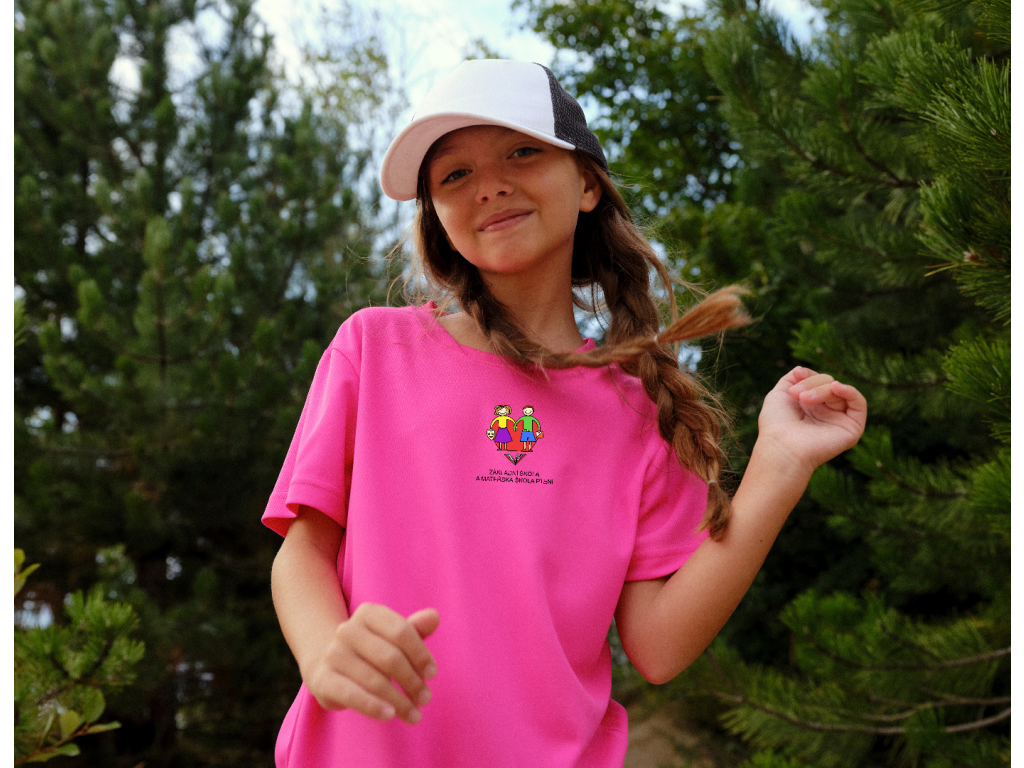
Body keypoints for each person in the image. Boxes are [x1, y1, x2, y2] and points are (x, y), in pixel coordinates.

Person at [265, 59, 867, 768]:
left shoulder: (639, 410)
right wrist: (323, 648)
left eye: (522, 151)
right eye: (454, 174)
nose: (489, 185)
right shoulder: (374, 348)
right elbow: (302, 551)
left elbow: (659, 646)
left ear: (586, 183)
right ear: (439, 218)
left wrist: (779, 465)